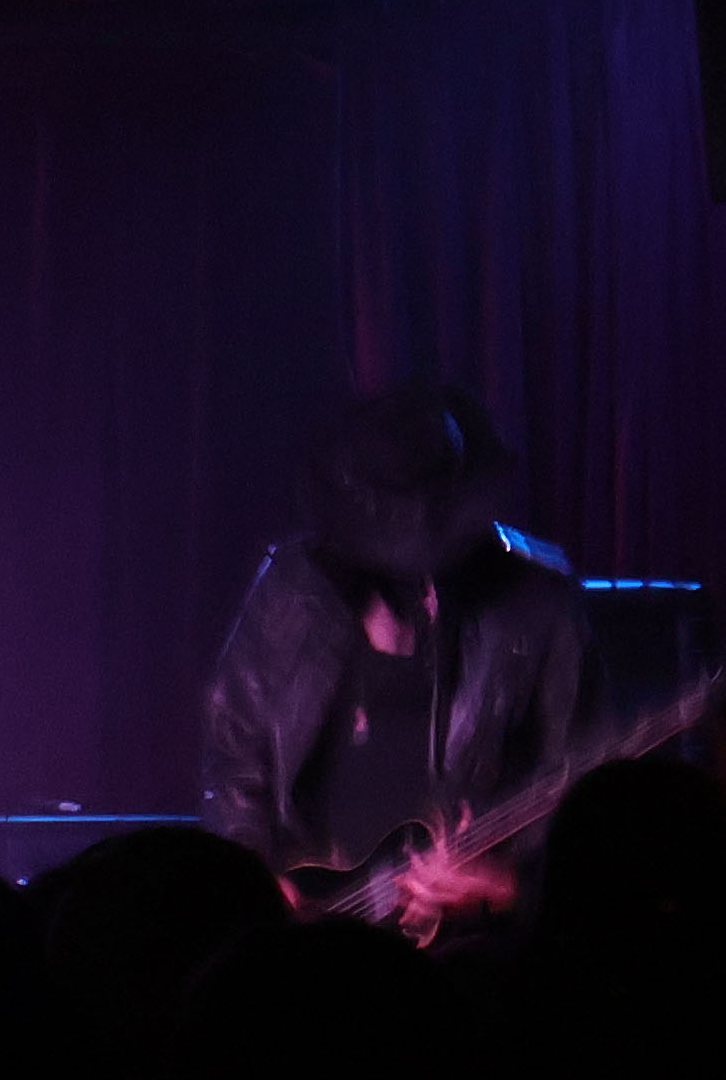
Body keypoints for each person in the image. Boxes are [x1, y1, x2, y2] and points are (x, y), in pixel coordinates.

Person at [200, 384, 592, 940]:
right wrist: (252, 874)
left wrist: (508, 887)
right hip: (317, 937)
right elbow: (234, 753)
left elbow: (589, 808)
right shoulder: (294, 591)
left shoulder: (537, 607)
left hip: (471, 956)